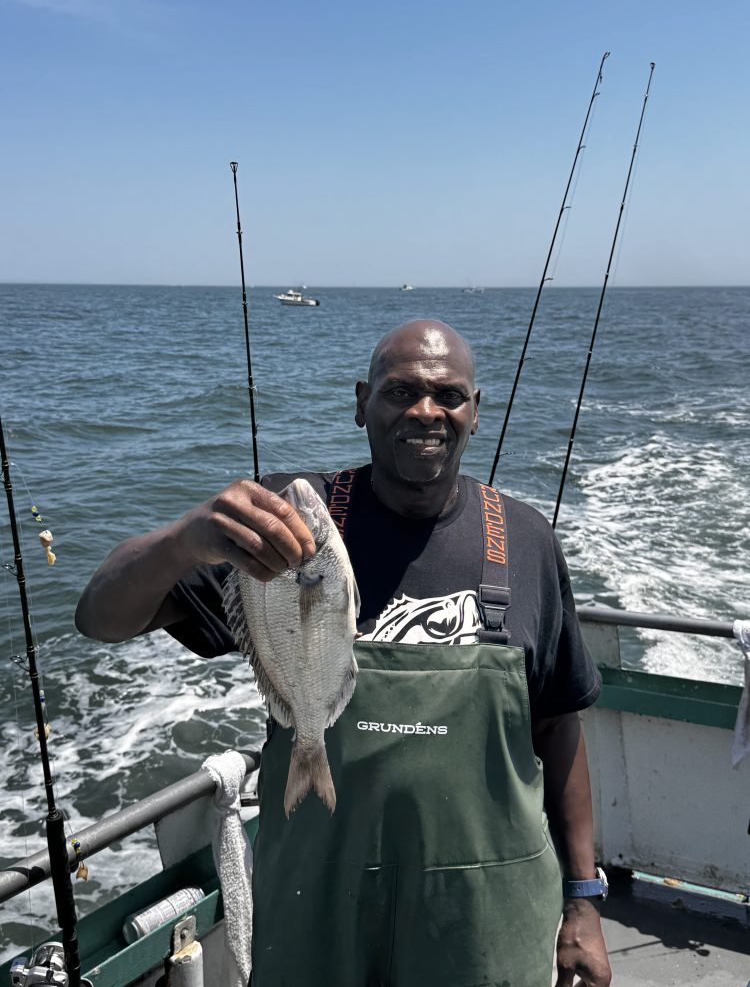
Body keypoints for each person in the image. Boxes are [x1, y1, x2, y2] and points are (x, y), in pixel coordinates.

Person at [76, 319, 611, 987]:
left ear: (476, 411)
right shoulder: (281, 526)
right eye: (399, 392)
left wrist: (584, 902)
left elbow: (559, 725)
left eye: (447, 395)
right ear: (362, 402)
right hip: (317, 906)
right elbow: (99, 616)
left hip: (484, 917)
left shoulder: (528, 540)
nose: (424, 411)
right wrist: (186, 539)